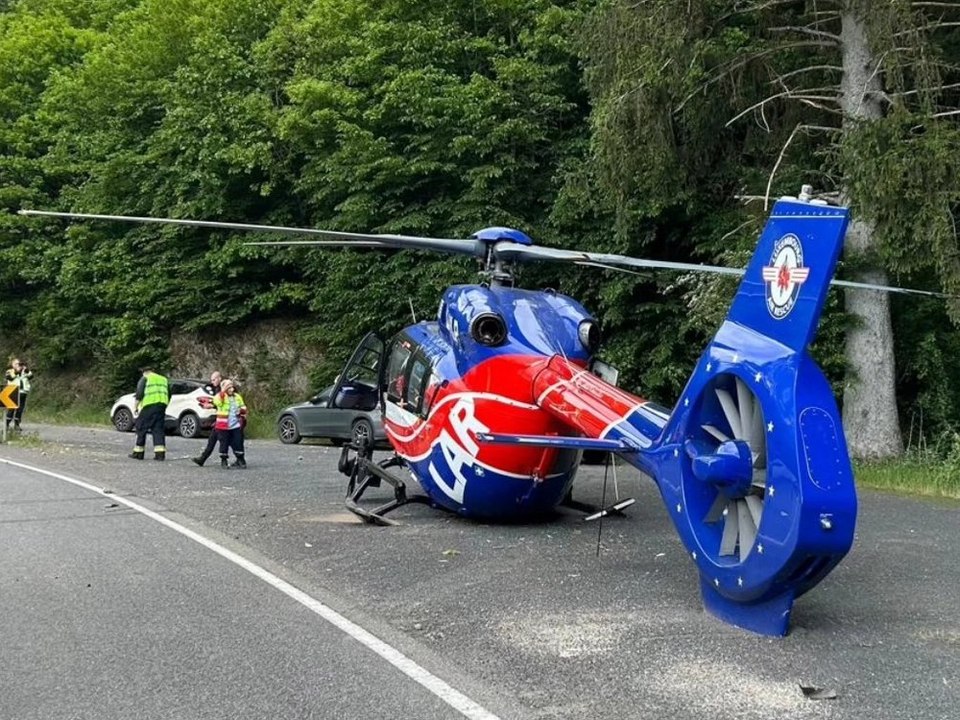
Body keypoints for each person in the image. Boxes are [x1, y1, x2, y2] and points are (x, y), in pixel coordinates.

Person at [129, 366, 169, 461]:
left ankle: (138, 453)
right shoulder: (163, 379)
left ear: (144, 372)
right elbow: (169, 394)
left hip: (149, 406)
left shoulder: (145, 378)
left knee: (141, 426)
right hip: (161, 406)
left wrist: (135, 407)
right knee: (158, 429)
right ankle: (160, 454)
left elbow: (139, 393)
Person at [212, 378, 247, 468]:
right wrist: (223, 392)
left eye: (232, 387)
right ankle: (224, 461)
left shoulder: (237, 396)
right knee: (224, 443)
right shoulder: (219, 396)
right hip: (223, 425)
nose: (231, 389)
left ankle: (241, 461)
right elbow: (217, 402)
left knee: (238, 443)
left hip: (236, 425)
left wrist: (242, 410)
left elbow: (243, 405)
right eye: (229, 388)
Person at [192, 370, 223, 466]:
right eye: (211, 380)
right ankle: (203, 458)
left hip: (224, 419)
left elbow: (223, 403)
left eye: (214, 380)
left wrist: (211, 405)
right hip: (221, 418)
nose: (212, 382)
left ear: (219, 378)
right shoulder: (218, 389)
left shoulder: (222, 389)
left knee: (225, 440)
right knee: (213, 439)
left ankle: (236, 458)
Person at [4, 357, 33, 432]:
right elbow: (9, 378)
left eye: (18, 363)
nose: (18, 365)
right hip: (13, 391)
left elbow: (31, 376)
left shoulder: (24, 371)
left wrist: (27, 370)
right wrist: (17, 372)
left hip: (23, 392)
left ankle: (17, 425)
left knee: (20, 410)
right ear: (12, 365)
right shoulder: (9, 371)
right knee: (11, 409)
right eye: (16, 364)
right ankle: (6, 425)